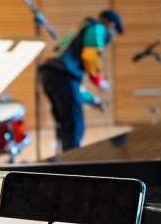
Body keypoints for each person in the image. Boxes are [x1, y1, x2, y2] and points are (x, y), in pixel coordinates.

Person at [38, 9, 123, 151]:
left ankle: (63, 164)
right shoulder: (98, 27)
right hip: (61, 76)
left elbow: (73, 88)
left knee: (66, 125)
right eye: (115, 33)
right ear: (111, 25)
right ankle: (71, 167)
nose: (113, 38)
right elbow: (90, 58)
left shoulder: (82, 28)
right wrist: (99, 81)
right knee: (75, 127)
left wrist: (92, 100)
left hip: (49, 74)